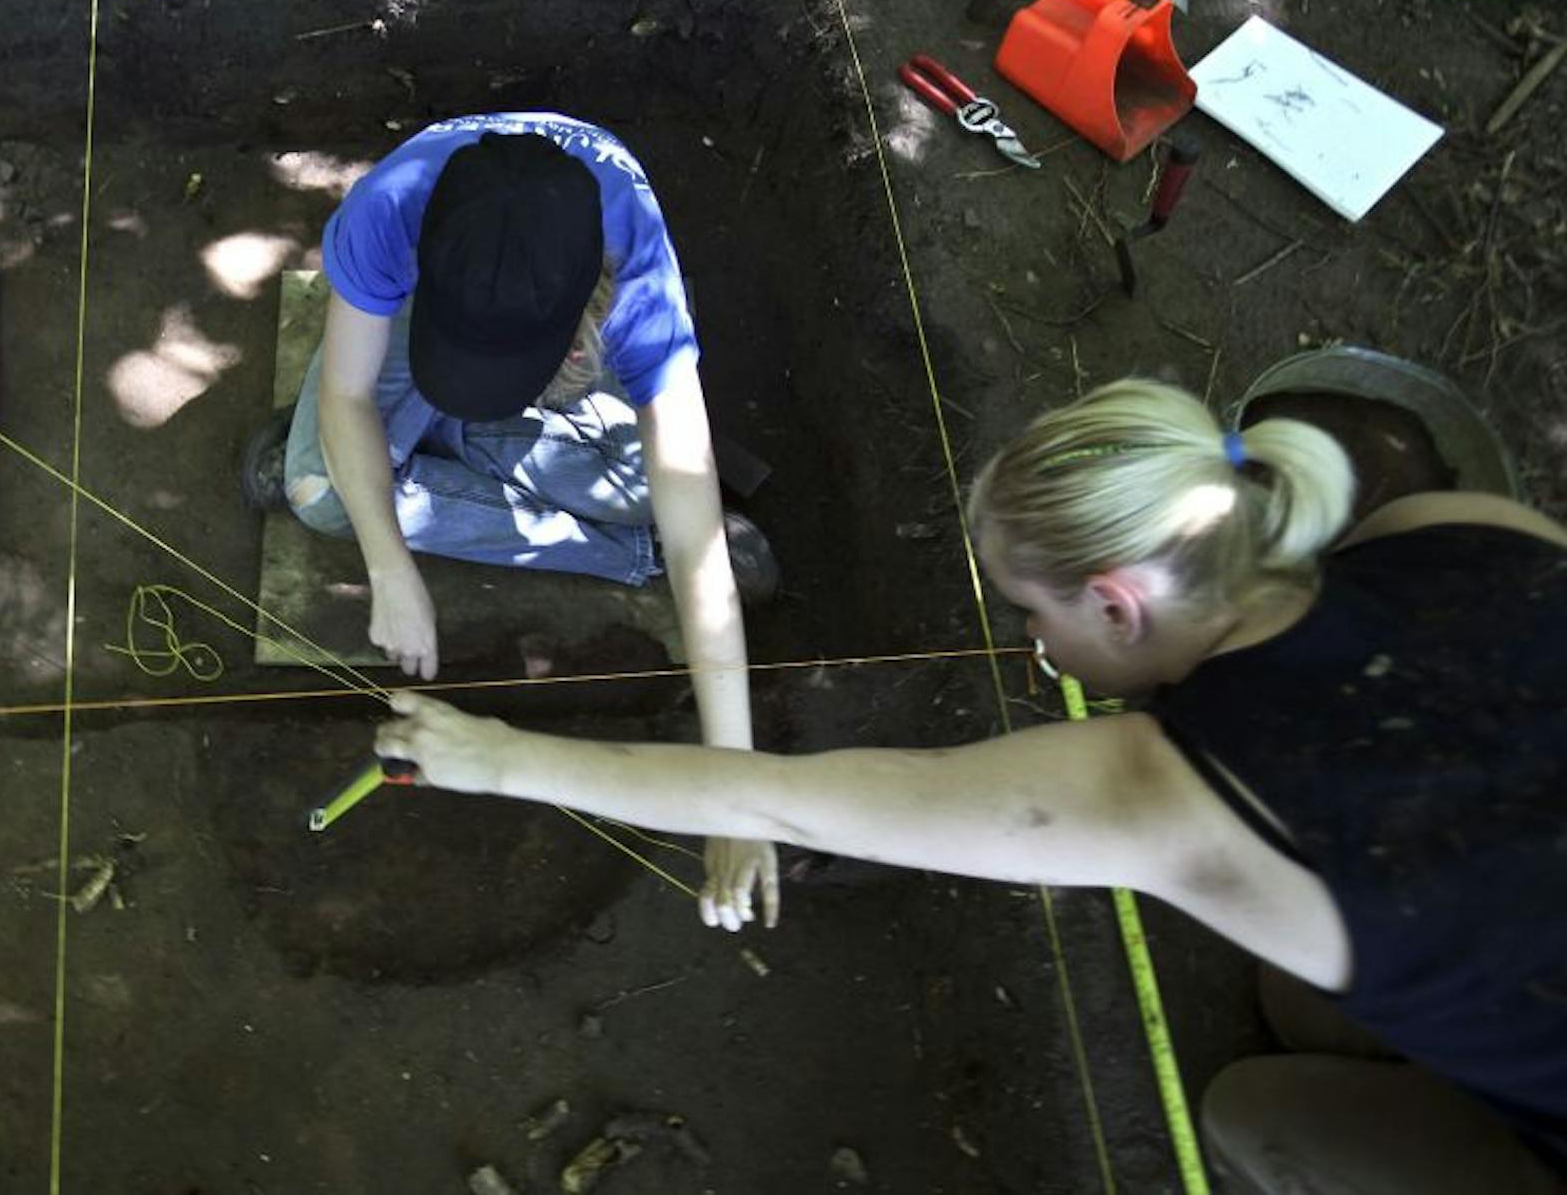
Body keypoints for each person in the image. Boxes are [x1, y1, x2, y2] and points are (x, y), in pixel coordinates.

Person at [373, 377, 1567, 1194]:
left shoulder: (1181, 804)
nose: (1038, 653)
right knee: (1313, 992)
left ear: (1118, 601)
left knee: (1250, 1111)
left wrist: (500, 761)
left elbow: (780, 800)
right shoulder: (1459, 524)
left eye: (1036, 618)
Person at [245, 112, 781, 932]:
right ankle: (448, 434)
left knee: (661, 497)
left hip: (556, 339)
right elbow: (351, 391)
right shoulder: (389, 208)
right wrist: (390, 568)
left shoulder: (637, 288)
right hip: (412, 328)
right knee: (321, 497)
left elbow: (697, 532)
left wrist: (737, 789)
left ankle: (461, 435)